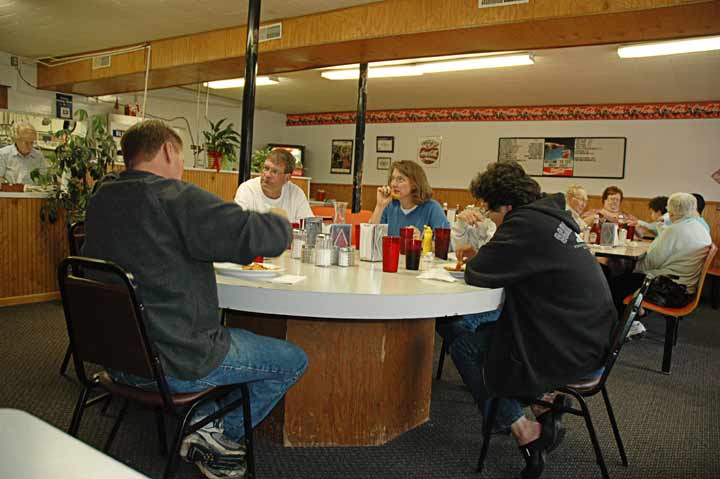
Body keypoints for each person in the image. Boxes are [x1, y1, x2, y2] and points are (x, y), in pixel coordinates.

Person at [82, 120, 308, 479]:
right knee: (293, 359)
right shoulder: (175, 197)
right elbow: (254, 235)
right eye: (182, 155)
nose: (182, 165)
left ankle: (201, 420)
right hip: (176, 359)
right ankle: (216, 434)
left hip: (116, 356)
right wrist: (280, 222)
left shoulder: (102, 198)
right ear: (169, 150)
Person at [450, 161, 615, 479]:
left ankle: (526, 429)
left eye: (491, 211)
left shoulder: (523, 224)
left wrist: (490, 247)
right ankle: (543, 403)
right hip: (589, 336)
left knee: (466, 346)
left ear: (507, 206)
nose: (490, 218)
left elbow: (477, 271)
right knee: (481, 329)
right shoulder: (551, 217)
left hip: (569, 347)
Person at [609, 192, 712, 339]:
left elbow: (651, 262)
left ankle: (627, 325)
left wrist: (632, 267)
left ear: (671, 211)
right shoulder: (699, 227)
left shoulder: (674, 230)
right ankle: (635, 317)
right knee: (626, 279)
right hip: (685, 289)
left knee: (617, 283)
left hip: (669, 290)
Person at [437, 203, 500, 345]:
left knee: (454, 325)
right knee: (442, 321)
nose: (483, 204)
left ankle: (468, 352)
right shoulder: (480, 217)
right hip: (476, 292)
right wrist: (461, 225)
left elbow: (495, 262)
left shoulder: (507, 223)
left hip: (498, 303)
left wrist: (477, 256)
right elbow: (460, 252)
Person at [370, 160, 449, 237]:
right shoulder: (389, 206)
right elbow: (372, 237)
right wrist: (380, 206)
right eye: (392, 179)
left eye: (400, 179)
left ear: (415, 184)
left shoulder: (432, 208)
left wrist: (421, 242)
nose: (393, 184)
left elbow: (447, 246)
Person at [234, 149, 313, 223]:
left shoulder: (296, 194)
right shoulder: (247, 189)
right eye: (266, 168)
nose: (267, 175)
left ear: (287, 177)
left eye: (274, 172)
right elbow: (238, 224)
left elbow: (310, 226)